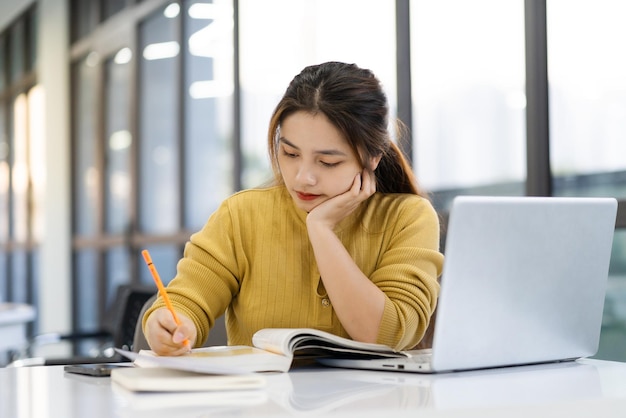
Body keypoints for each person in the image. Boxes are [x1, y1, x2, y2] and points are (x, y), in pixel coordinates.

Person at [143, 61, 444, 356]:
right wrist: (171, 323)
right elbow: (188, 299)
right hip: (265, 403)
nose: (303, 177)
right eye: (290, 153)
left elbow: (386, 335)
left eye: (328, 162)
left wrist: (321, 230)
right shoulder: (241, 215)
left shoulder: (408, 217)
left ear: (373, 158)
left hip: (376, 404)